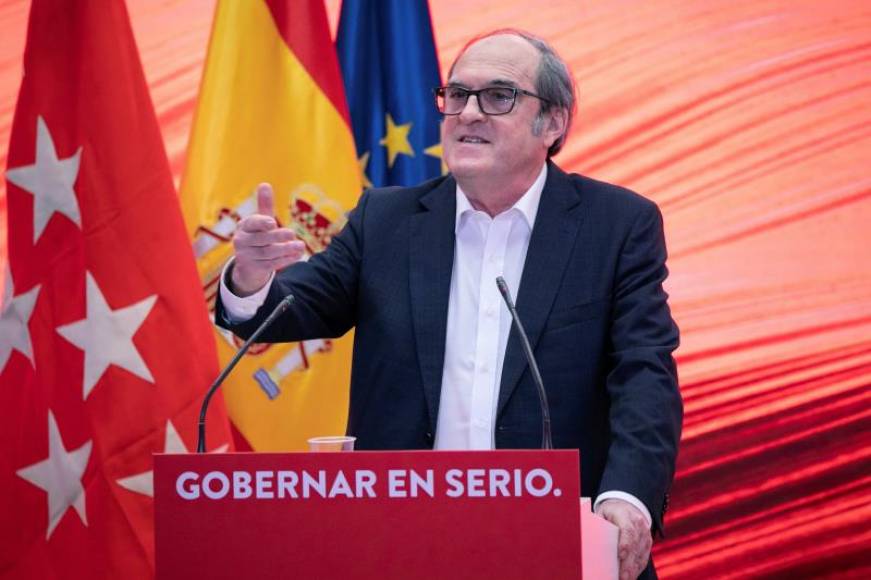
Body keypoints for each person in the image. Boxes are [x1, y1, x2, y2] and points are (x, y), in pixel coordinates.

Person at [216, 30, 682, 580]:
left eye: (498, 96)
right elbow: (294, 306)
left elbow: (644, 374)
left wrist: (627, 496)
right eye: (457, 95)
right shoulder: (385, 219)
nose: (469, 113)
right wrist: (249, 276)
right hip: (402, 545)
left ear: (553, 123)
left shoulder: (617, 225)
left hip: (560, 540)